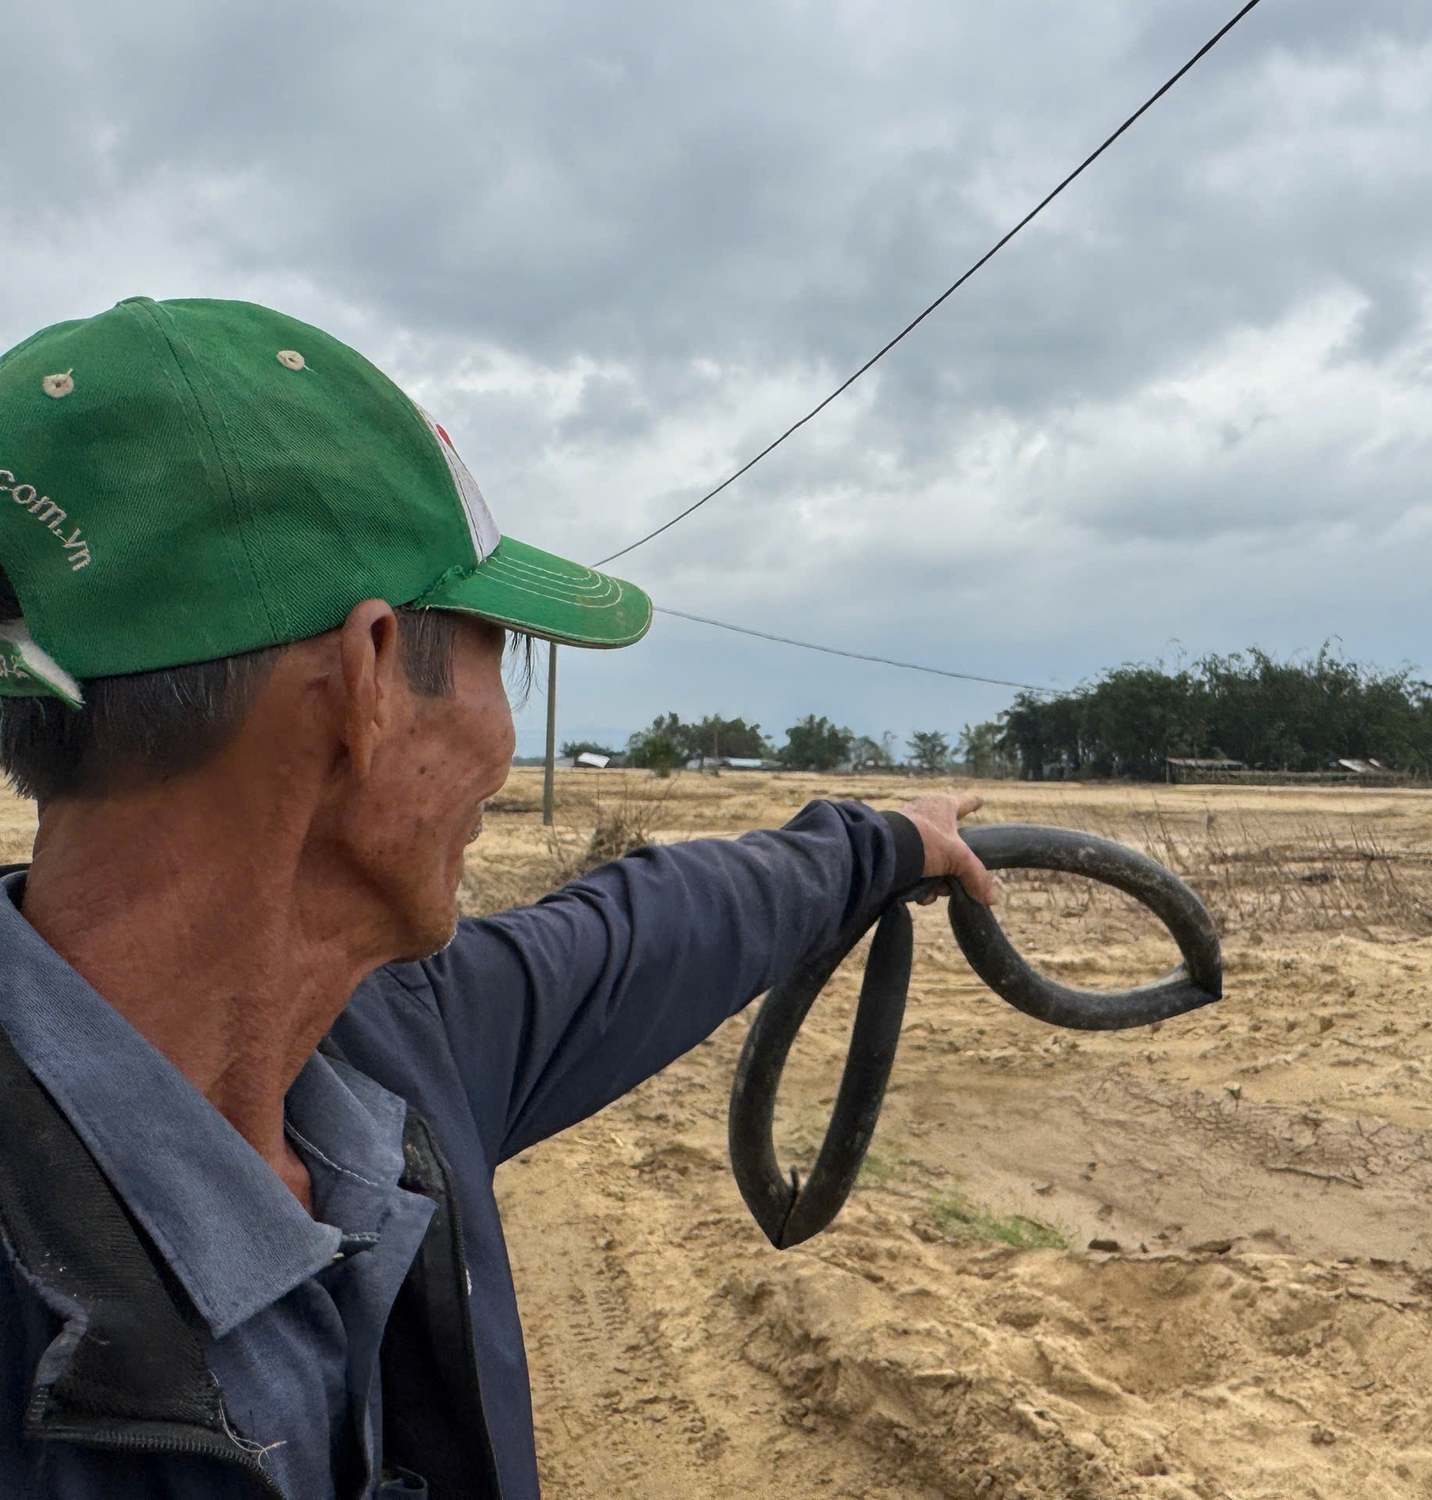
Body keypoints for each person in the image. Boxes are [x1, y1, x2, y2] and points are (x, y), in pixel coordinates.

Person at [0, 296, 995, 1498]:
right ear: (371, 680)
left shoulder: (382, 1047)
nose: (504, 738)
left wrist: (879, 845)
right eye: (495, 650)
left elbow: (652, 929)